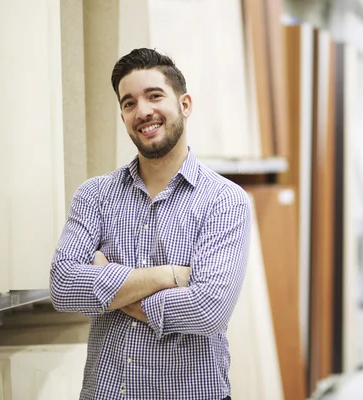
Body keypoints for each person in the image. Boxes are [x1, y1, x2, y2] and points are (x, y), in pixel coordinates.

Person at [50, 47, 251, 400]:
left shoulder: (224, 200)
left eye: (154, 96)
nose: (142, 111)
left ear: (184, 104)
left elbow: (208, 310)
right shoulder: (94, 195)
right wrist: (169, 275)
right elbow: (64, 286)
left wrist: (111, 287)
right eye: (129, 103)